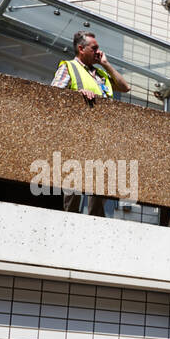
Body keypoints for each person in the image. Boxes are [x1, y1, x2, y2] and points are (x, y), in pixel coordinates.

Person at [51, 31, 131, 214]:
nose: (98, 52)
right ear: (81, 48)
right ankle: (70, 222)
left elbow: (125, 87)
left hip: (102, 139)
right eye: (94, 48)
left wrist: (106, 64)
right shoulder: (69, 67)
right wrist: (78, 95)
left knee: (99, 191)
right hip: (78, 137)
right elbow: (53, 97)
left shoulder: (101, 73)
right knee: (74, 189)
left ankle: (95, 225)